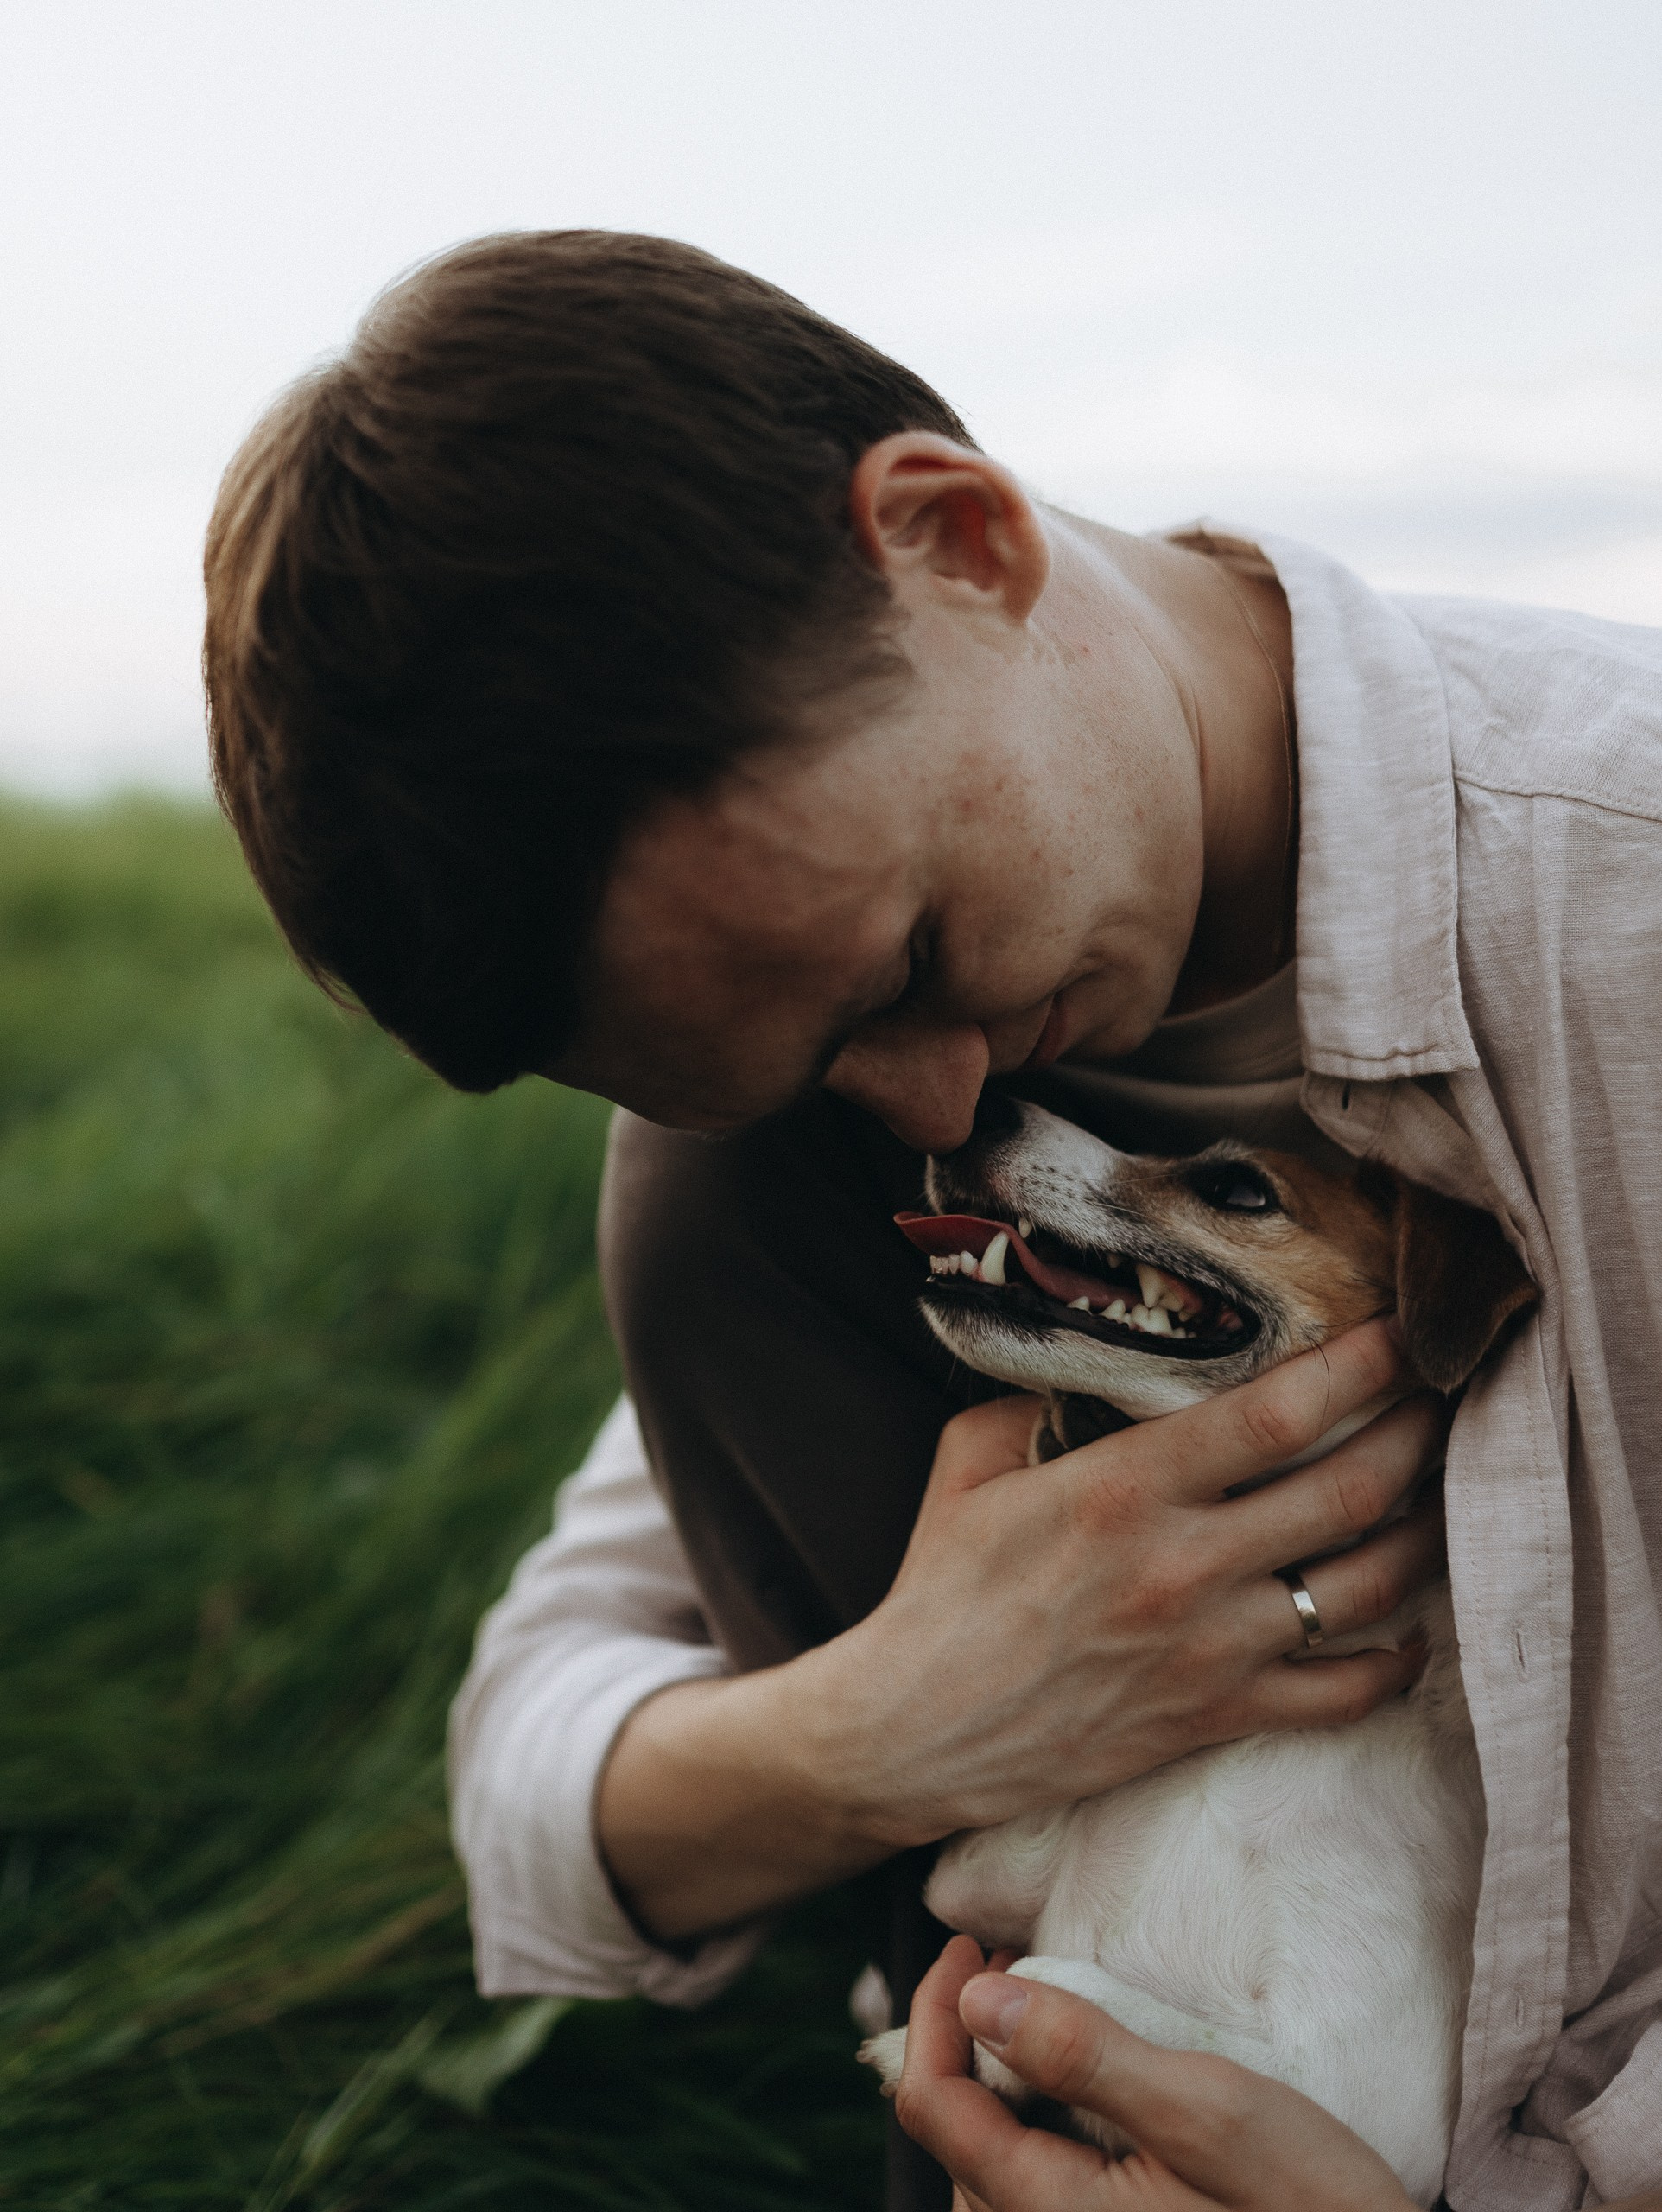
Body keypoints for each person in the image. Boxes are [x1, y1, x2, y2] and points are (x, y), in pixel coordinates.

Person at [201, 230, 1662, 2212]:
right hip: (1036, 2069)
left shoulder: (1619, 911)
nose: (936, 1113)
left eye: (907, 957)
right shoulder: (808, 1139)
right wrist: (901, 1714)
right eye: (801, 1068)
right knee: (701, 1203)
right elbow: (533, 1781)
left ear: (956, 541)